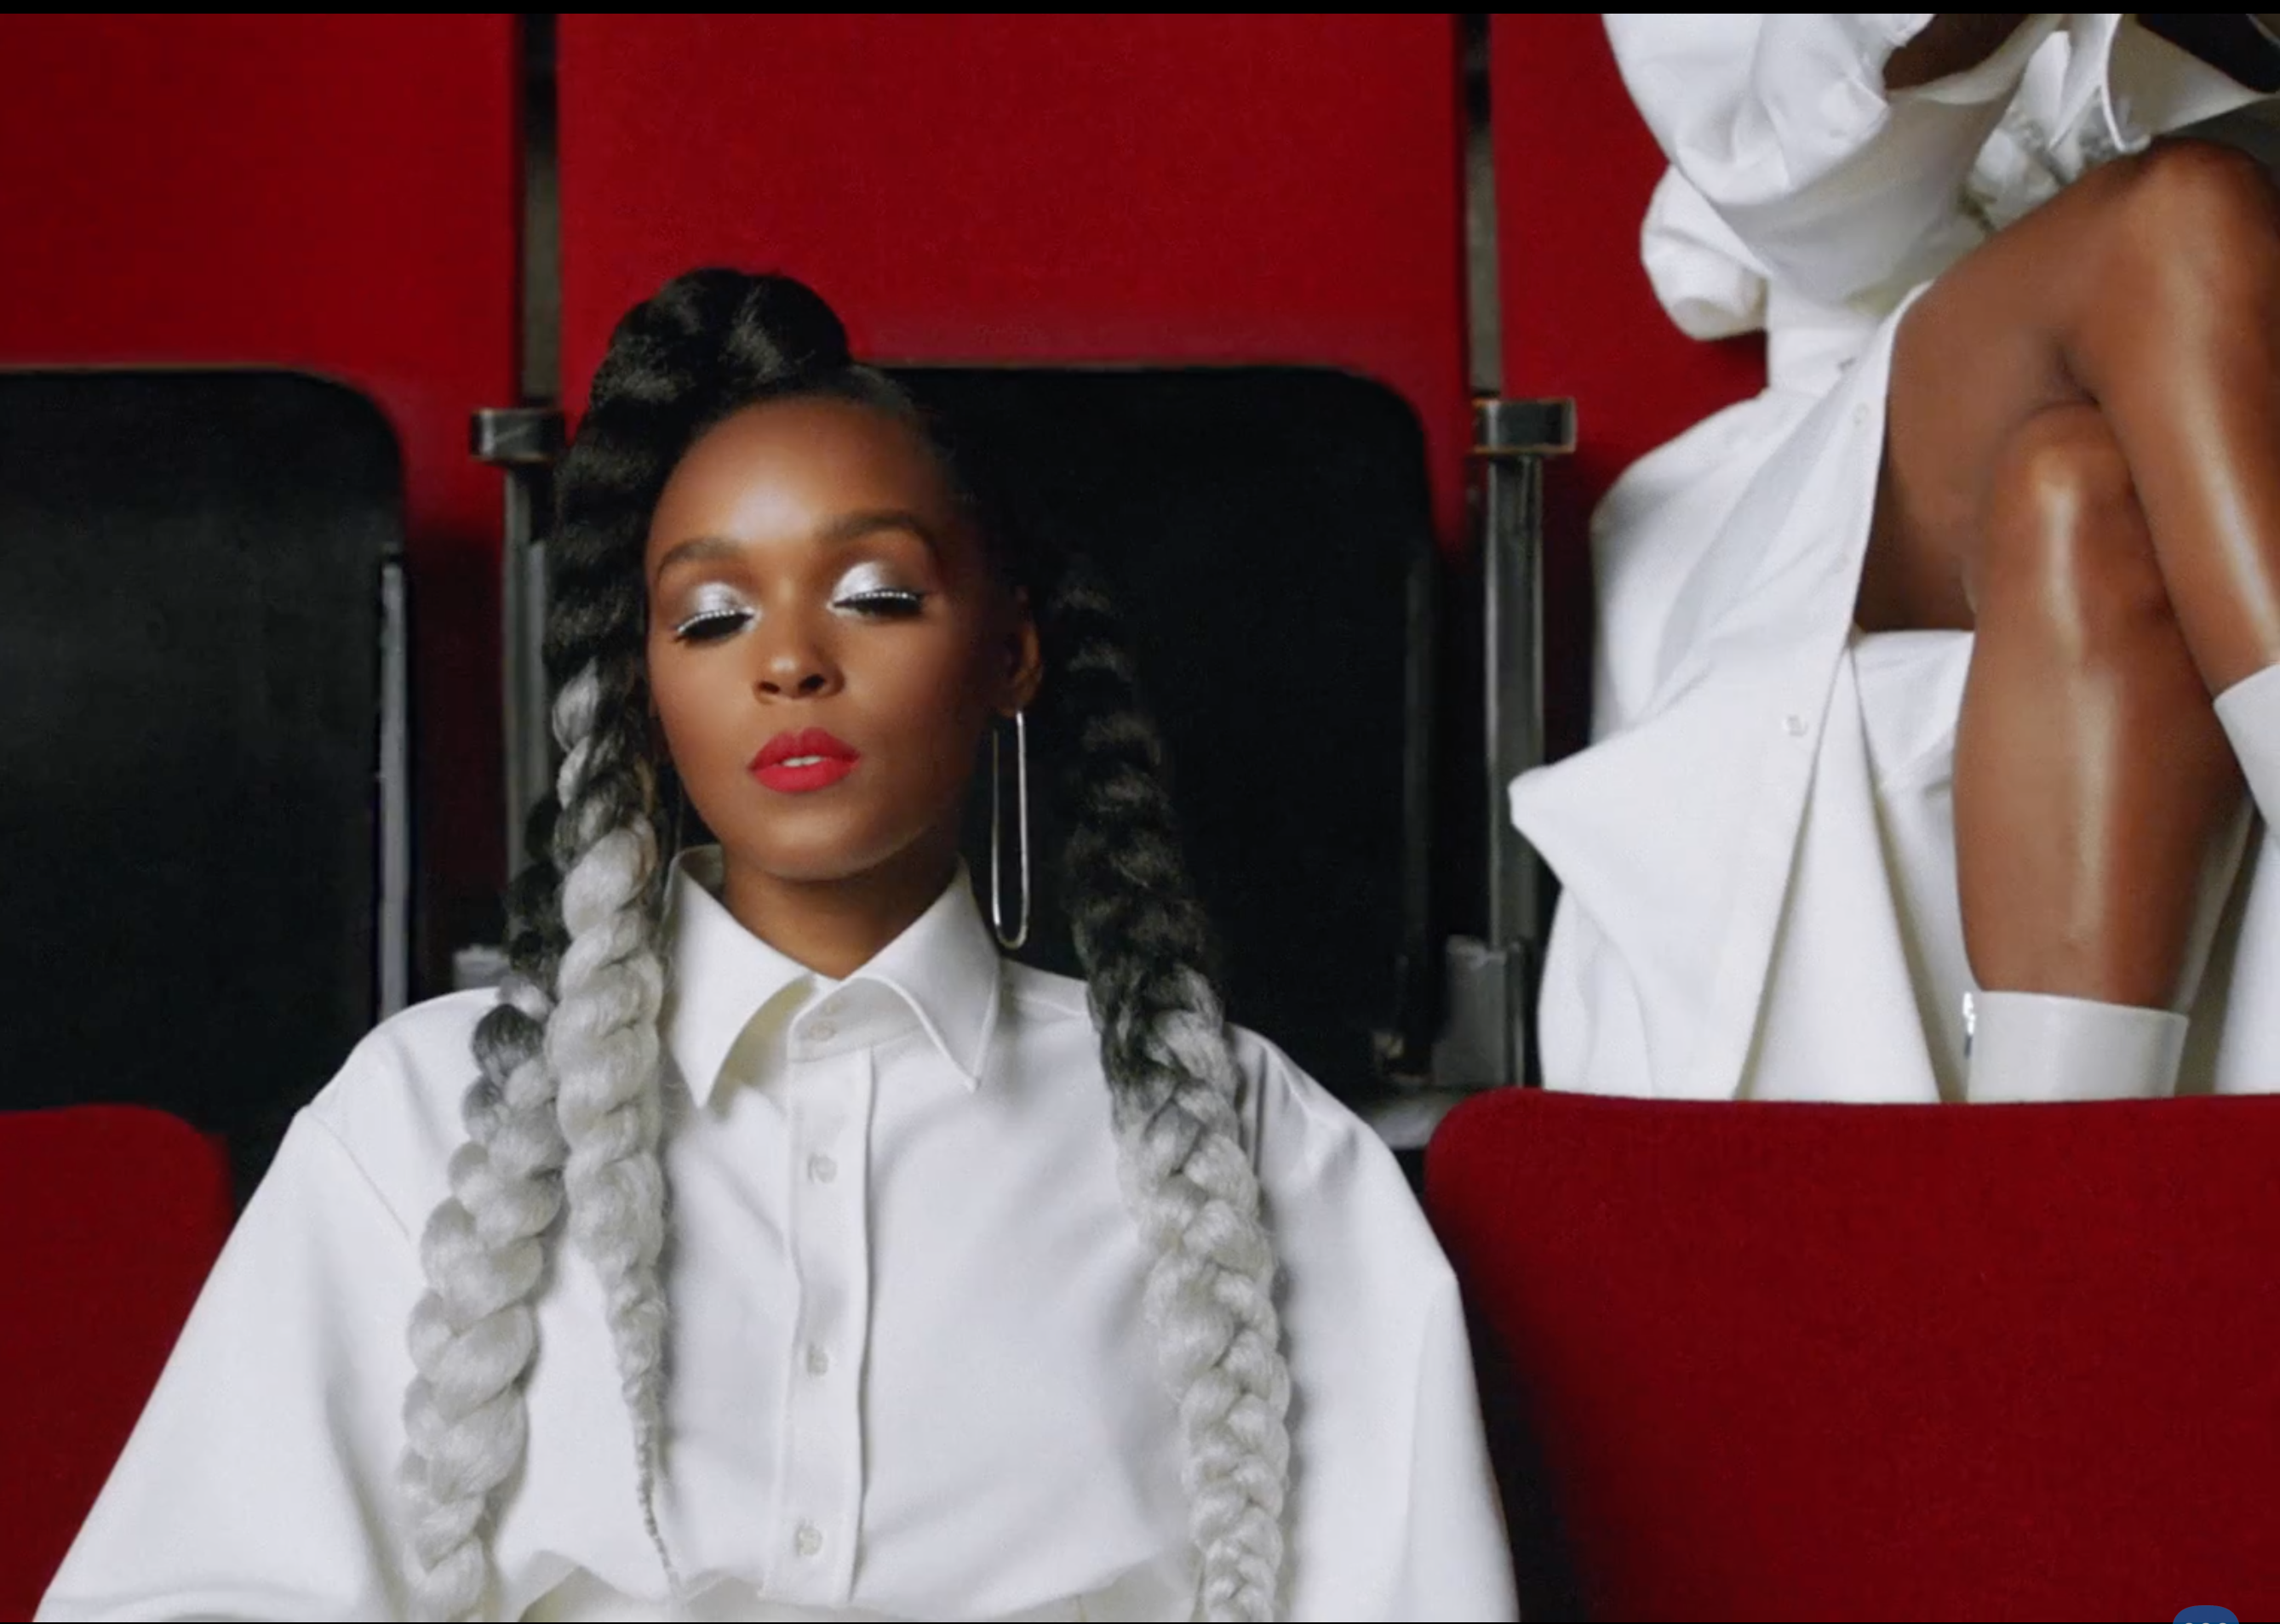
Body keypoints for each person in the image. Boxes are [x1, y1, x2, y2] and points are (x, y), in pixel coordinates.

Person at [38, 272, 1515, 1623]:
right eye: (709, 616)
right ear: (642, 685)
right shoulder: (419, 1119)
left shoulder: (1255, 1145)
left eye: (874, 595)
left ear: (1008, 649)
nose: (790, 659)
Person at [1513, 14, 2280, 1104]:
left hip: (2240, 385)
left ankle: (2045, 1179)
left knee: (2078, 491)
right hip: (1896, 397)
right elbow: (1801, 205)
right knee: (2181, 218)